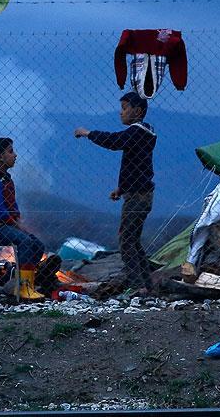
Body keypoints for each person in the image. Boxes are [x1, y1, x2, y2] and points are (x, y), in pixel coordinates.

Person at [74, 92, 157, 290]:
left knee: (126, 241)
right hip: (138, 193)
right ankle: (147, 284)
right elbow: (137, 167)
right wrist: (121, 189)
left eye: (124, 108)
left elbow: (114, 141)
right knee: (133, 241)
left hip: (138, 197)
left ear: (137, 111)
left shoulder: (137, 132)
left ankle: (138, 287)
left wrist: (87, 133)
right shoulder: (143, 134)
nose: (121, 113)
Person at [0, 137, 46, 300]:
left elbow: (13, 206)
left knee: (37, 245)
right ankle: (22, 287)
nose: (15, 155)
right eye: (10, 151)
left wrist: (18, 221)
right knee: (25, 242)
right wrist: (15, 224)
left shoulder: (6, 180)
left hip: (8, 225)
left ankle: (23, 282)